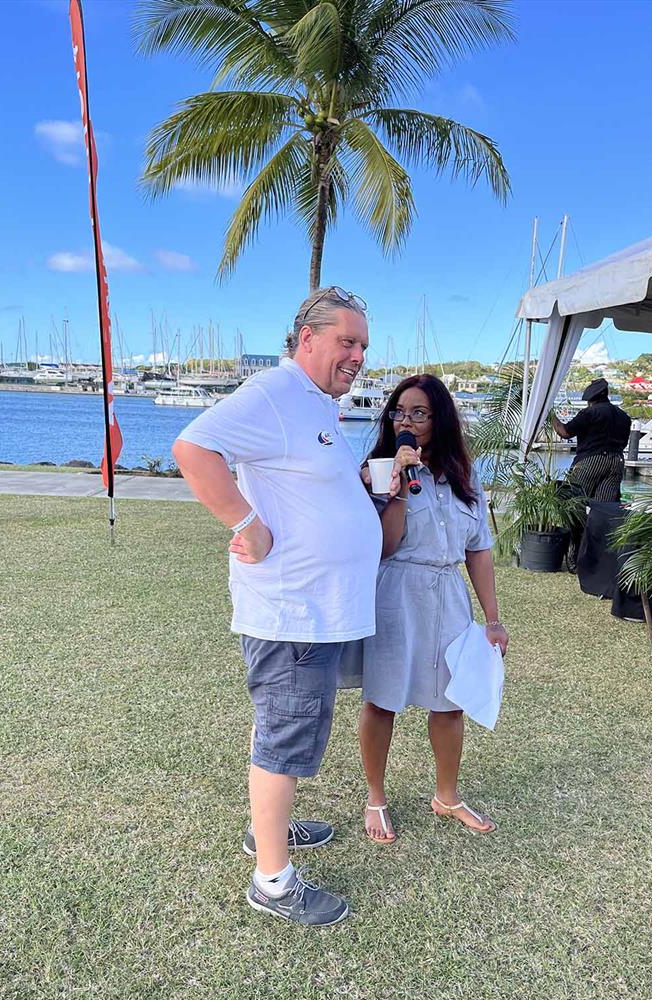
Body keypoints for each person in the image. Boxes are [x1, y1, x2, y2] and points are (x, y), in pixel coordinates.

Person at [172, 287, 382, 926]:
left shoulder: (314, 403)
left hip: (318, 610)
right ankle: (272, 881)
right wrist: (247, 521)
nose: (357, 357)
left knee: (281, 728)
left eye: (364, 347)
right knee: (287, 734)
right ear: (307, 338)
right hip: (294, 612)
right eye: (346, 342)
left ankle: (269, 830)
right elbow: (193, 448)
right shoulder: (274, 392)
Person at [353, 374, 509, 844]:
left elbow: (478, 549)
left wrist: (494, 618)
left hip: (449, 593)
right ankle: (376, 797)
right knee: (383, 700)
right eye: (399, 412)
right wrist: (398, 484)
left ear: (439, 418)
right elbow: (384, 546)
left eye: (419, 412)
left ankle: (447, 794)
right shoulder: (378, 470)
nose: (407, 421)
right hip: (396, 593)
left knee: (450, 703)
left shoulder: (464, 473)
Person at [552, 378, 632, 502]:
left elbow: (565, 432)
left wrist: (549, 415)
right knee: (604, 506)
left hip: (592, 460)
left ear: (590, 400)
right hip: (617, 461)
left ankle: (578, 522)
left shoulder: (590, 413)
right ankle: (597, 522)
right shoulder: (624, 416)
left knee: (575, 501)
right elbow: (624, 442)